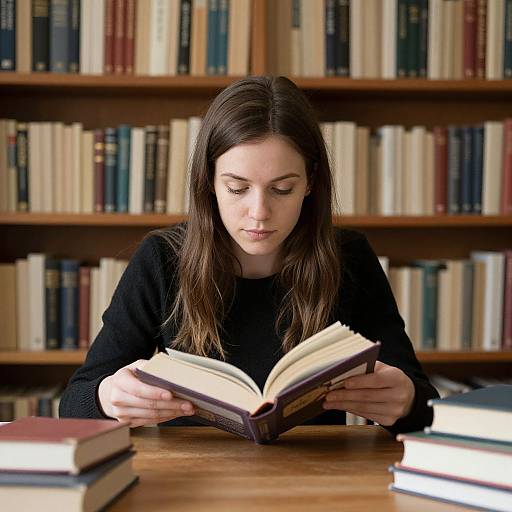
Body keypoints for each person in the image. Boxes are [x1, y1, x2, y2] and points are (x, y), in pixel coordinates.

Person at [59, 76, 439, 433]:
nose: (259, 212)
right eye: (237, 189)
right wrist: (108, 396)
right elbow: (74, 403)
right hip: (189, 486)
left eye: (283, 189)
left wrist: (404, 402)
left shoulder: (349, 258)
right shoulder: (162, 259)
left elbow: (427, 409)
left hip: (317, 482)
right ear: (209, 181)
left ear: (310, 183)